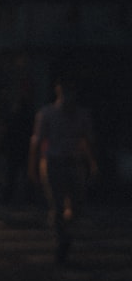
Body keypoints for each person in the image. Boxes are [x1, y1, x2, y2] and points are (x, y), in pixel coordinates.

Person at [28, 73, 98, 263]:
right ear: (58, 91)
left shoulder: (83, 115)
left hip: (74, 163)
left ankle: (65, 230)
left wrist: (92, 163)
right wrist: (33, 166)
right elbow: (37, 141)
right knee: (58, 204)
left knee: (77, 204)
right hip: (53, 163)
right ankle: (62, 239)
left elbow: (86, 141)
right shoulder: (47, 114)